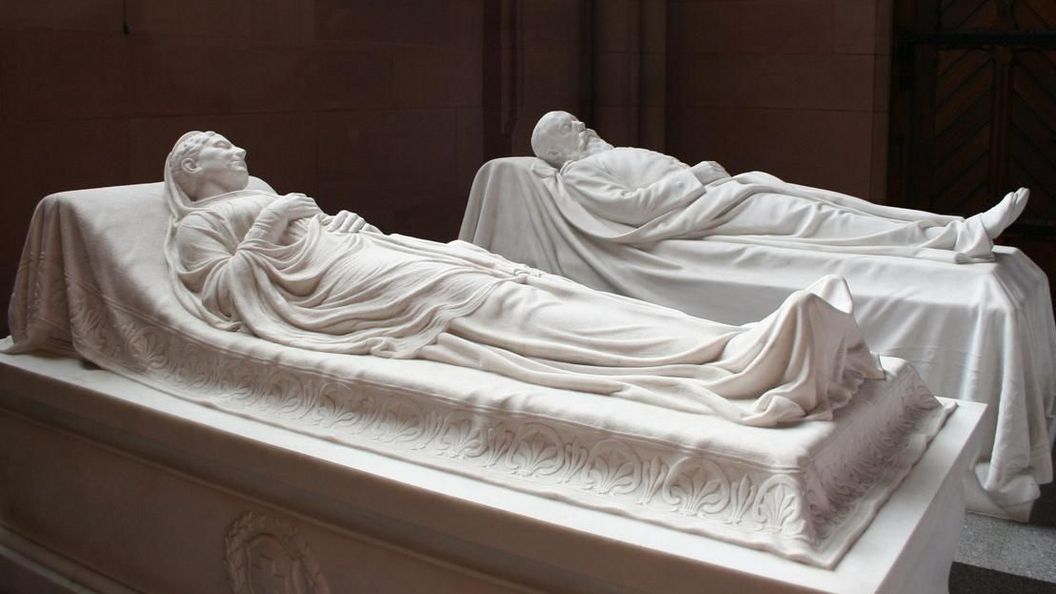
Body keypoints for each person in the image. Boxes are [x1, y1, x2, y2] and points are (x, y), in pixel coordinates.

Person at [164, 131, 889, 427]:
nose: (235, 146)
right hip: (369, 292)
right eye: (214, 145)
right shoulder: (202, 223)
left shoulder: (262, 196)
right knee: (513, 310)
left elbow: (293, 245)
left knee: (533, 288)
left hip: (383, 259)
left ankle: (736, 342)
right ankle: (731, 362)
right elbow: (226, 293)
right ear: (192, 172)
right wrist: (281, 221)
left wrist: (330, 223)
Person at [530, 111, 1029, 263]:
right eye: (570, 128)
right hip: (702, 211)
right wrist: (694, 178)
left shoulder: (602, 155)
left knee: (829, 202)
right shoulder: (580, 173)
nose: (583, 127)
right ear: (558, 152)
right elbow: (632, 210)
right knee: (821, 221)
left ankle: (956, 228)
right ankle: (958, 239)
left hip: (720, 196)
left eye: (577, 121)